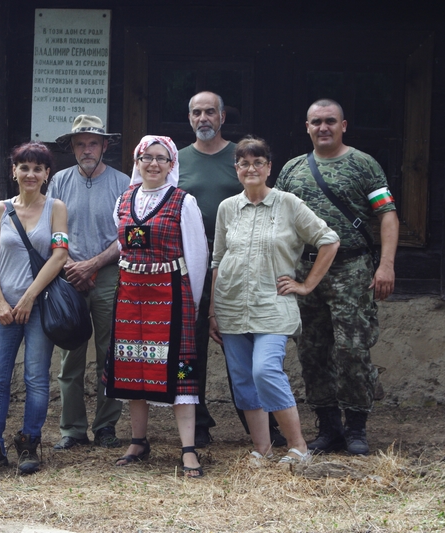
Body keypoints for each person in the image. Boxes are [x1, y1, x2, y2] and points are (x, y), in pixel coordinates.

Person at [275, 99, 399, 455]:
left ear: (344, 125)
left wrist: (386, 264)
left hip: (352, 269)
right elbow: (279, 221)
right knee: (312, 351)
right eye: (317, 122)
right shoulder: (293, 170)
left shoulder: (363, 165)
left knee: (351, 349)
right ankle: (329, 427)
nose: (323, 127)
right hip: (305, 269)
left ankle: (356, 427)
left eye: (331, 121)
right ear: (307, 127)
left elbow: (387, 215)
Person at [209, 136, 340, 464]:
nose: (250, 168)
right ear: (236, 168)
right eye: (243, 163)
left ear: (269, 167)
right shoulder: (228, 208)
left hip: (272, 305)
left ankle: (298, 447)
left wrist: (306, 285)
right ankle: (263, 449)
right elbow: (217, 260)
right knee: (243, 378)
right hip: (231, 306)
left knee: (265, 370)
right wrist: (212, 309)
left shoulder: (288, 204)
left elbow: (329, 240)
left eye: (258, 162)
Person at [177, 91, 285, 448]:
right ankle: (200, 422)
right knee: (189, 351)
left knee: (243, 352)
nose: (203, 118)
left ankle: (263, 427)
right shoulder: (177, 160)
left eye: (210, 111)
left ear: (223, 116)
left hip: (236, 268)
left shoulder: (240, 157)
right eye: (197, 112)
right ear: (190, 118)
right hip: (189, 268)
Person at [0, 142, 68, 475]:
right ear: (14, 171)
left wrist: (30, 296)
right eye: (24, 167)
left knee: (36, 378)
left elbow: (60, 255)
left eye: (38, 168)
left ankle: (29, 442)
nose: (30, 174)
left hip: (38, 306)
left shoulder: (56, 208)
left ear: (47, 174)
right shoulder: (0, 210)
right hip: (3, 308)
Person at [104, 135, 208, 478]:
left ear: (171, 164)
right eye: (146, 157)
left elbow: (196, 255)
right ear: (137, 161)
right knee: (133, 364)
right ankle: (138, 441)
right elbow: (121, 246)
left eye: (161, 158)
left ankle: (188, 450)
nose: (153, 163)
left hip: (170, 295)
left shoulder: (184, 202)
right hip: (130, 295)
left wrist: (190, 305)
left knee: (179, 372)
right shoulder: (123, 199)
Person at [48, 115, 130, 450]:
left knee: (111, 353)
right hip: (67, 274)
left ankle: (107, 426)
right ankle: (73, 429)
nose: (87, 149)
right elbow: (48, 229)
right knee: (71, 355)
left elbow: (128, 234)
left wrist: (94, 265)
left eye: (93, 143)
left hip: (110, 272)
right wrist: (70, 266)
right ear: (72, 147)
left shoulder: (123, 182)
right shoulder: (58, 182)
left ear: (104, 146)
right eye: (80, 144)